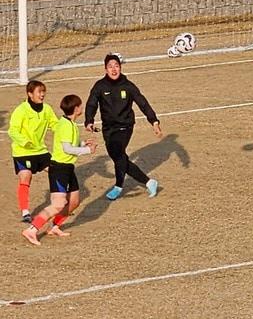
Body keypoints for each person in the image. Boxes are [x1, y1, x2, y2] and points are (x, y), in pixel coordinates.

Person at [84, 54, 162, 201]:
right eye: (110, 66)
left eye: (116, 66)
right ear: (105, 69)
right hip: (108, 128)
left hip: (125, 126)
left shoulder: (128, 86)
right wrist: (89, 120)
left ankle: (142, 183)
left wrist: (154, 121)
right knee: (118, 157)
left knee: (117, 153)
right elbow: (91, 104)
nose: (114, 69)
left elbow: (142, 103)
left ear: (120, 68)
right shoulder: (99, 86)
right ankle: (126, 185)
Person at [22, 94, 95, 245]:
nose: (81, 108)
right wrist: (88, 150)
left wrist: (82, 144)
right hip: (59, 169)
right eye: (80, 106)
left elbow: (69, 143)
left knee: (74, 201)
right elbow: (67, 149)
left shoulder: (70, 123)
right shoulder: (66, 125)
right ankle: (32, 230)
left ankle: (54, 226)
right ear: (76, 108)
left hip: (68, 168)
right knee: (58, 204)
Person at [10, 79, 57, 223]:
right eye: (39, 92)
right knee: (26, 176)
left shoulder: (47, 109)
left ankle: (59, 203)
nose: (42, 94)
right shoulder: (21, 110)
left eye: (43, 91)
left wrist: (66, 131)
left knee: (57, 171)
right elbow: (13, 131)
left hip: (40, 150)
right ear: (30, 94)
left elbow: (55, 125)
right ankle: (25, 212)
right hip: (22, 152)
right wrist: (24, 142)